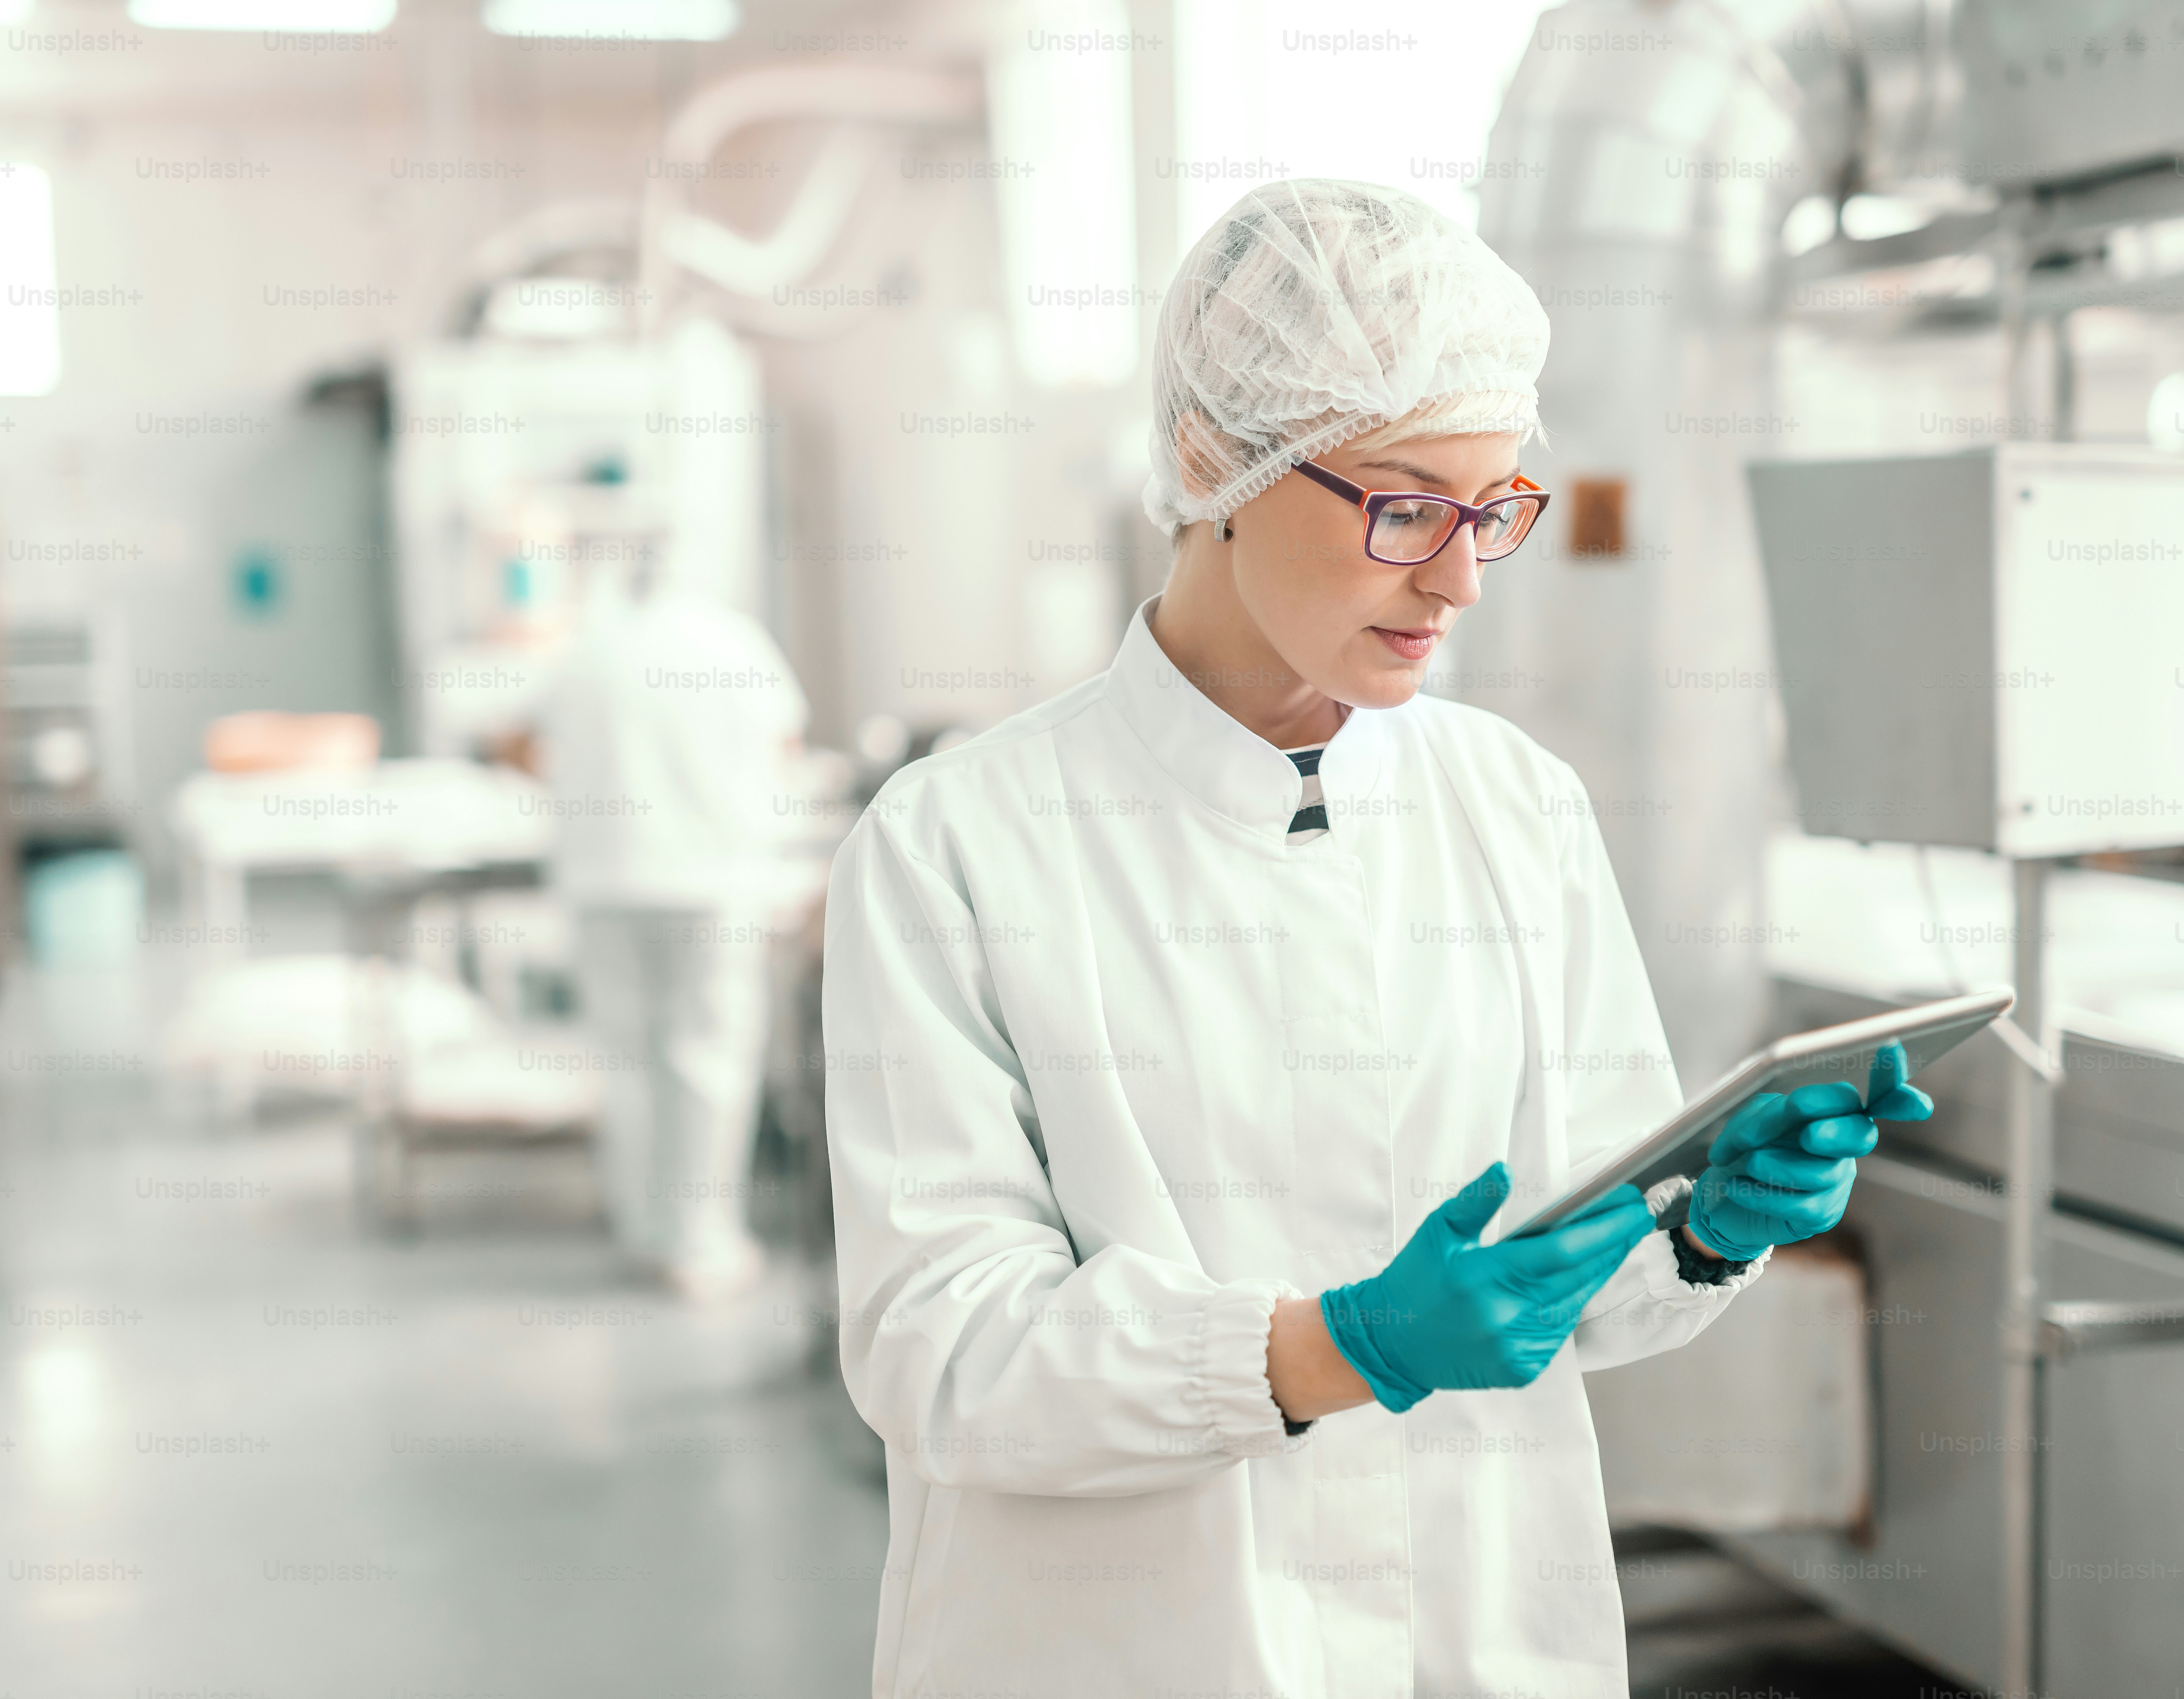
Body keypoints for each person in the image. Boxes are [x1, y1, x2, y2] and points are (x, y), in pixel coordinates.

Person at [823, 179, 1923, 1698]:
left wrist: (1697, 1221)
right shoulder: (959, 843)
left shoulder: (1510, 802)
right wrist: (1325, 1347)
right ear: (1214, 458)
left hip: (1474, 1637)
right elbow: (938, 1353)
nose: (1460, 577)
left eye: (1493, 512)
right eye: (1405, 508)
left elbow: (1562, 1272)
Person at [539, 540, 806, 1302]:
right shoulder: (733, 643)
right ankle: (700, 1242)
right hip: (710, 878)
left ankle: (643, 1228)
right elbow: (783, 747)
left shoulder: (588, 649)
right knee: (708, 1058)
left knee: (625, 1057)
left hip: (605, 876)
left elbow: (532, 745)